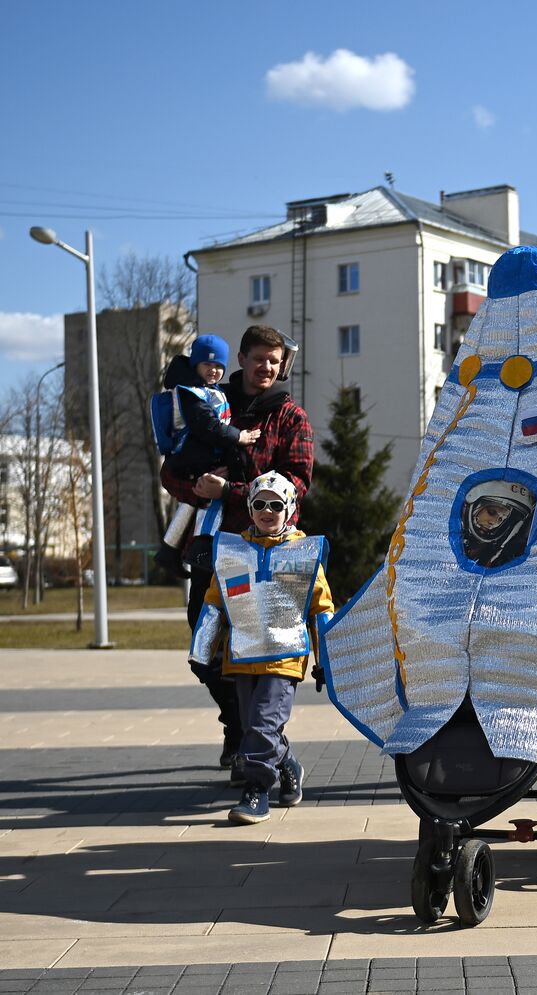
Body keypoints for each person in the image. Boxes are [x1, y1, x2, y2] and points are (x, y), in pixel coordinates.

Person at [160, 325, 314, 780]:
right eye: (258, 358)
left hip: (267, 553)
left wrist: (232, 490)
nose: (266, 367)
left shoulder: (289, 417)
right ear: (242, 359)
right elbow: (172, 469)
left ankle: (261, 748)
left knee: (263, 657)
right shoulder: (206, 401)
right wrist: (195, 487)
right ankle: (239, 727)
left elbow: (297, 482)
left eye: (274, 360)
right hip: (211, 548)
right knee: (203, 649)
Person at [188, 472, 333, 824]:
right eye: (260, 504)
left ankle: (255, 790)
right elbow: (214, 603)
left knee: (264, 723)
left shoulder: (303, 554)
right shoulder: (232, 553)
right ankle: (288, 764)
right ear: (250, 509)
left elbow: (322, 610)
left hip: (284, 657)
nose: (268, 511)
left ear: (291, 510)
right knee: (255, 724)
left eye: (276, 505)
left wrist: (327, 659)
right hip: (242, 655)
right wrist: (202, 652)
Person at [151, 335, 261, 574]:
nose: (214, 370)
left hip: (195, 455)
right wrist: (238, 437)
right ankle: (202, 547)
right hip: (194, 456)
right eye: (207, 365)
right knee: (210, 497)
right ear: (195, 365)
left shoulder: (207, 390)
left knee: (194, 502)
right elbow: (207, 426)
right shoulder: (192, 393)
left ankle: (169, 550)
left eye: (219, 366)